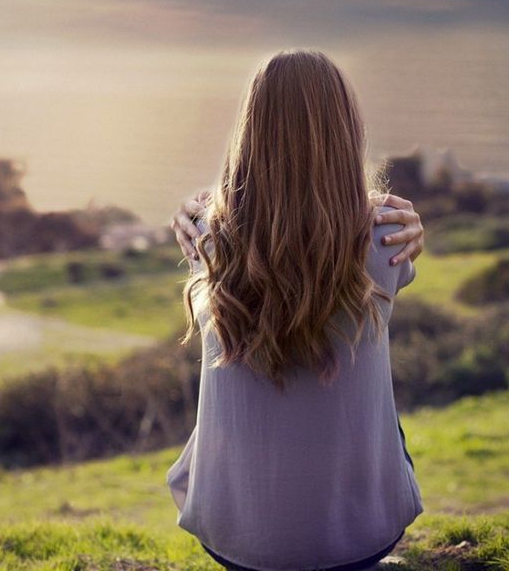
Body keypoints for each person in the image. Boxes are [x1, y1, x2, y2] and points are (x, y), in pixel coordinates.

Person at [165, 50, 426, 571]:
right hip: (358, 542)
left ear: (249, 134)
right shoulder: (385, 237)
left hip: (234, 540)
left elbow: (233, 217)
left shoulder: (208, 237)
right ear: (345, 133)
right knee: (385, 422)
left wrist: (199, 214)